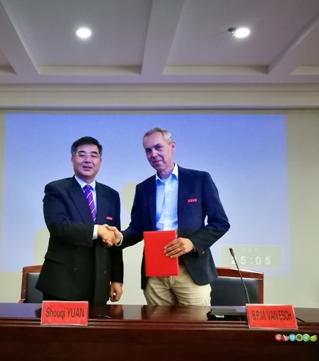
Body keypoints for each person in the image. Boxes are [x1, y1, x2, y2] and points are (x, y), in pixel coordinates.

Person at [108, 127, 230, 306]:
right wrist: (119, 237)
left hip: (191, 271)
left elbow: (220, 223)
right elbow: (137, 229)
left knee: (196, 324)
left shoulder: (200, 180)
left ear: (172, 146)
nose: (153, 154)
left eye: (158, 147)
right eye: (148, 150)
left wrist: (192, 243)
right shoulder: (143, 189)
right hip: (155, 275)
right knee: (157, 325)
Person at [36, 136, 123, 304]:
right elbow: (58, 227)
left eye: (93, 155)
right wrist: (97, 230)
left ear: (100, 161)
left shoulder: (111, 195)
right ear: (72, 159)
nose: (88, 160)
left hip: (98, 284)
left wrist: (116, 279)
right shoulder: (57, 189)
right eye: (82, 154)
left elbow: (114, 238)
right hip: (63, 284)